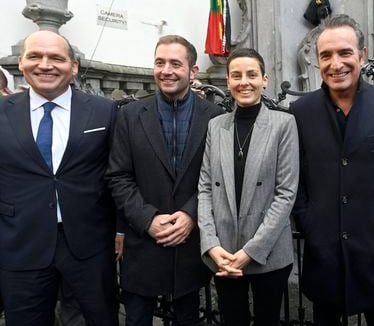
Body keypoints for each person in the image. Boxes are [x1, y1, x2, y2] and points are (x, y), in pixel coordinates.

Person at [290, 14, 374, 325]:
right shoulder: (300, 112)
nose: (335, 63)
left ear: (362, 55)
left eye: (345, 53)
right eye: (326, 55)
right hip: (324, 257)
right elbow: (292, 177)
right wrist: (308, 221)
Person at [0, 30, 118, 325]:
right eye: (35, 56)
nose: (45, 65)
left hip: (89, 244)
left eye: (55, 57)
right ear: (21, 62)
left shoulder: (104, 112)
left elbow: (118, 174)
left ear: (73, 66)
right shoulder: (2, 112)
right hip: (20, 243)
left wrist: (122, 231)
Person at [106, 35, 223, 326]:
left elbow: (218, 177)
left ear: (193, 71)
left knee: (188, 319)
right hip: (143, 243)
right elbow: (118, 176)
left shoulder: (215, 117)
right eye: (160, 63)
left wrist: (190, 215)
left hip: (190, 245)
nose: (166, 70)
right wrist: (148, 219)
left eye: (175, 63)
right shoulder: (130, 116)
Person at [197, 48, 299, 326]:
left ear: (264, 79)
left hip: (268, 254)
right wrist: (210, 245)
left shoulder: (283, 124)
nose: (245, 82)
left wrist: (251, 252)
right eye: (236, 75)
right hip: (224, 253)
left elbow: (286, 193)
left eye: (252, 75)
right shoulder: (215, 126)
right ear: (228, 82)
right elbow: (205, 187)